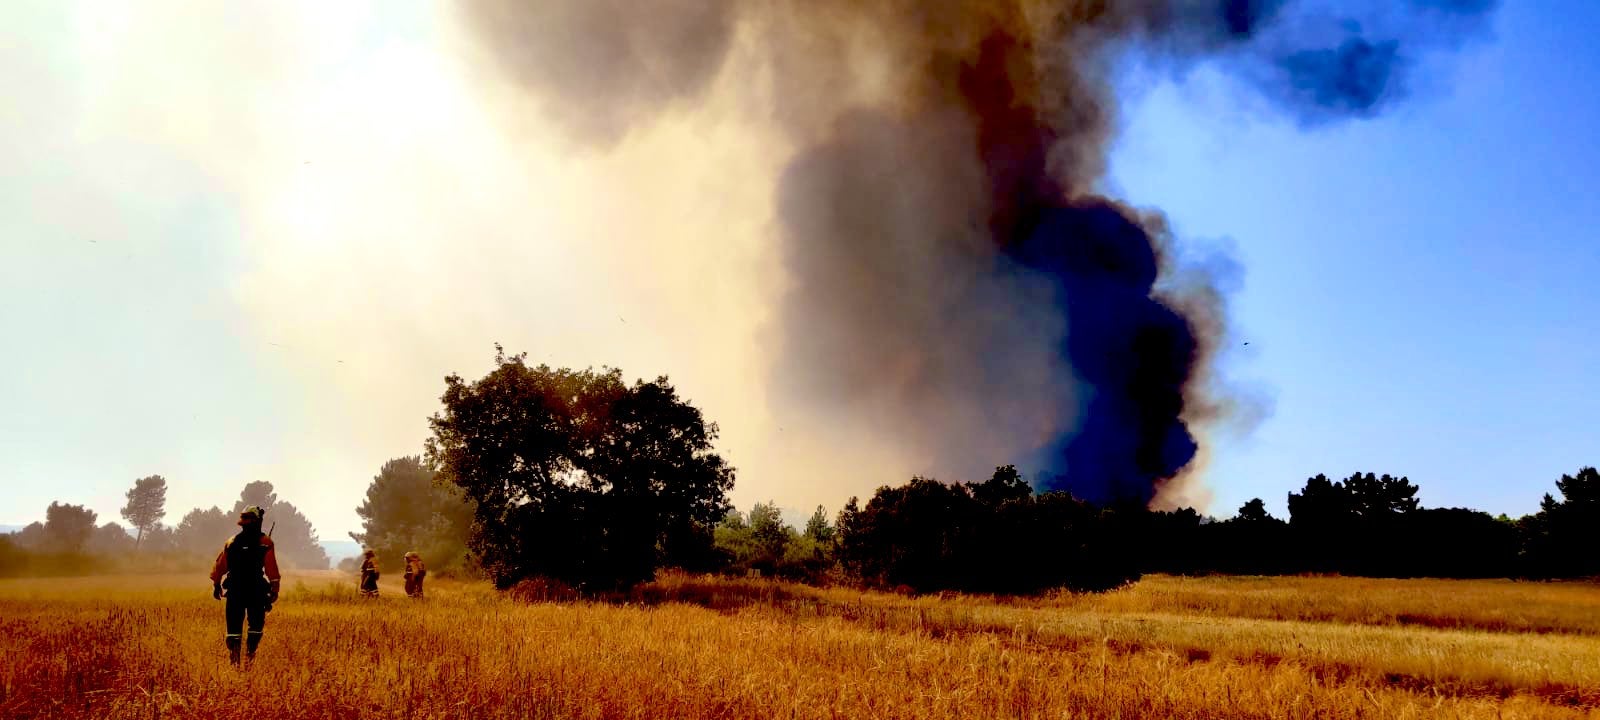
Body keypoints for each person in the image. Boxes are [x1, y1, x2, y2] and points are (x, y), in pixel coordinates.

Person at [209, 505, 280, 665]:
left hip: (235, 591)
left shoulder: (231, 542)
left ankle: (235, 662)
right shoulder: (266, 542)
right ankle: (249, 657)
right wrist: (274, 589)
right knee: (255, 627)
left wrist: (216, 584)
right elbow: (271, 569)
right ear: (257, 521)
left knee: (234, 629)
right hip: (256, 591)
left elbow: (220, 566)